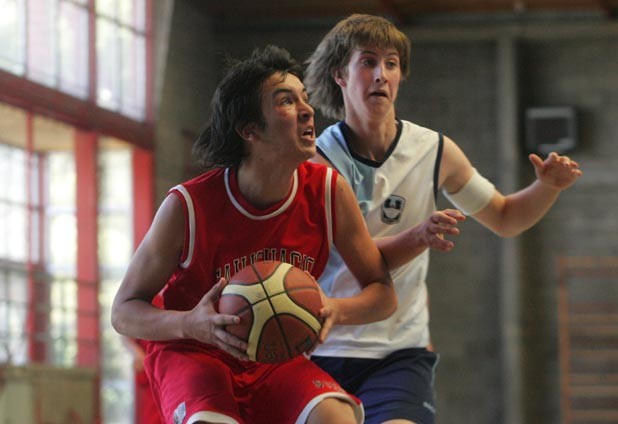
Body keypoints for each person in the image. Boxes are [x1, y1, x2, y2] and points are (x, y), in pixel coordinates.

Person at [304, 13, 583, 424]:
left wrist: (547, 187)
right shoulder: (314, 162)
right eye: (368, 62)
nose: (381, 74)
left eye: (391, 63)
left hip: (400, 351)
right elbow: (351, 255)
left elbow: (506, 217)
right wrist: (417, 236)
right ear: (339, 75)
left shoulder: (432, 150)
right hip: (323, 345)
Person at [111, 45, 400, 424]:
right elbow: (123, 311)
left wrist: (334, 309)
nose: (307, 110)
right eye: (286, 101)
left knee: (335, 417)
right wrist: (190, 323)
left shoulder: (329, 192)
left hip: (273, 355)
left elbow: (383, 292)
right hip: (194, 350)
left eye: (305, 98)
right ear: (248, 130)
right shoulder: (188, 206)